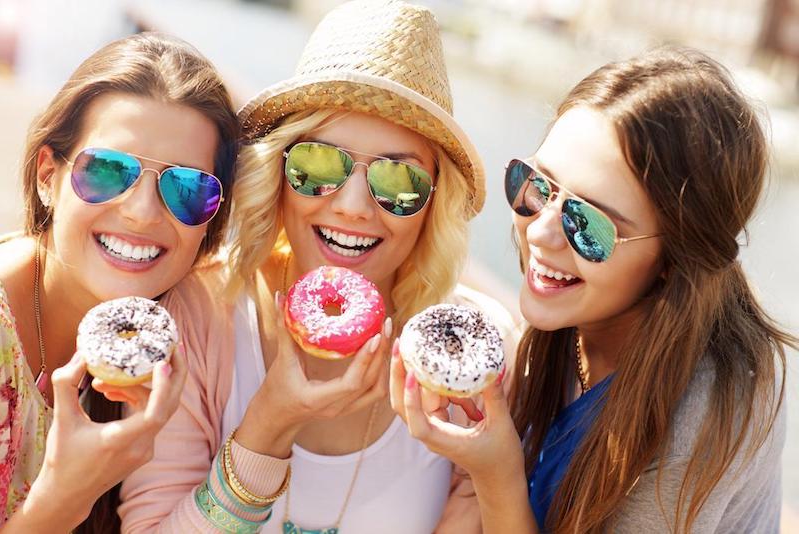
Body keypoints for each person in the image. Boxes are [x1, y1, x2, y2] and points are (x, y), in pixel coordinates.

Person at [118, 1, 518, 532]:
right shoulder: (198, 314)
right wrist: (269, 422)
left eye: (399, 180)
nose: (353, 205)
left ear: (434, 203)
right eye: (319, 164)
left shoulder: (469, 361)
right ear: (279, 173)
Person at [391, 46, 796, 533]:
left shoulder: (708, 410)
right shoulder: (574, 328)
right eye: (538, 187)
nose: (540, 232)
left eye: (589, 227)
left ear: (675, 259)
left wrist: (496, 474)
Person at [0, 32, 239, 532]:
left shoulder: (181, 336)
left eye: (188, 188)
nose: (142, 212)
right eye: (109, 170)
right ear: (49, 176)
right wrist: (67, 494)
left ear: (211, 221)